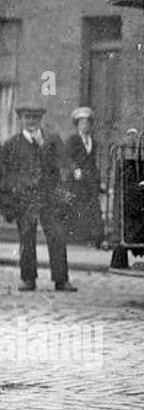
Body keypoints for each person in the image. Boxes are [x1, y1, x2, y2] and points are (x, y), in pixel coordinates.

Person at [0, 104, 76, 291]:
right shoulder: (11, 145)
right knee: (27, 238)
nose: (31, 121)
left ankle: (61, 279)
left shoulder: (52, 140)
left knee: (57, 236)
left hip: (49, 198)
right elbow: (5, 174)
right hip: (25, 199)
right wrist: (9, 200)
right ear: (21, 120)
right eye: (27, 118)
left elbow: (63, 163)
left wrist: (64, 189)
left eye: (35, 118)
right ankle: (28, 278)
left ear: (40, 120)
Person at [64, 105, 104, 248]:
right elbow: (67, 158)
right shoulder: (72, 140)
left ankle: (92, 238)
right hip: (77, 180)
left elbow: (94, 162)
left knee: (92, 207)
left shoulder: (94, 142)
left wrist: (99, 180)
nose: (85, 126)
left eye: (87, 123)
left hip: (90, 179)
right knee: (76, 206)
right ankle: (75, 238)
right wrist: (75, 170)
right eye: (82, 123)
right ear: (77, 125)